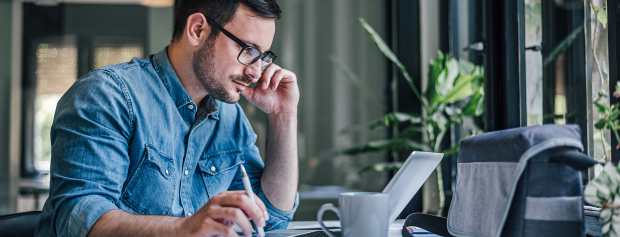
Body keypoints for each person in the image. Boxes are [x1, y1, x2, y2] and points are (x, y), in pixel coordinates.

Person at [35, 0, 299, 236]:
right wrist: (187, 229)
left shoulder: (230, 117)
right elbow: (78, 220)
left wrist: (283, 116)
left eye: (262, 56)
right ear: (197, 30)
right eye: (248, 50)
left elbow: (271, 220)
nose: (255, 72)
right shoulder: (106, 96)